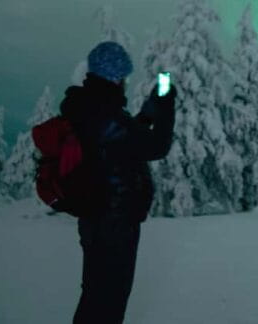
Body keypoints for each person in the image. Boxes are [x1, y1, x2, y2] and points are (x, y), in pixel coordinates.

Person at [60, 41, 176, 324]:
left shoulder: (91, 108)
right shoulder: (104, 115)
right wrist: (166, 106)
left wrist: (147, 114)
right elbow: (156, 146)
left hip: (97, 218)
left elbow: (123, 142)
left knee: (95, 296)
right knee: (108, 302)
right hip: (114, 223)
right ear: (114, 77)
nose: (125, 81)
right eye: (123, 76)